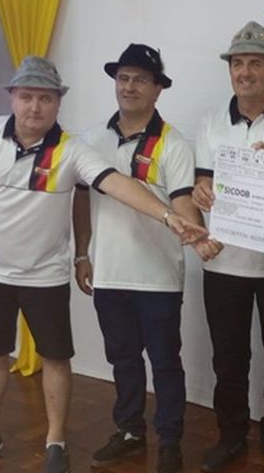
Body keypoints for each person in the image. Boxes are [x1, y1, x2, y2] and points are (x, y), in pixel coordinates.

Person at [0, 56, 206, 473]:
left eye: (45, 98)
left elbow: (116, 184)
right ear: (12, 97)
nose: (35, 107)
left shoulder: (72, 149)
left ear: (58, 103)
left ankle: (56, 442)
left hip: (46, 276)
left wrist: (168, 217)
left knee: (57, 358)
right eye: (26, 96)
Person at [72, 43, 211, 473]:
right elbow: (82, 201)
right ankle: (130, 430)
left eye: (140, 80)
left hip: (158, 278)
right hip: (109, 274)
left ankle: (170, 439)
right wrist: (82, 254)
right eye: (123, 78)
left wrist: (195, 233)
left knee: (165, 364)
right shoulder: (91, 139)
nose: (129, 87)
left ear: (157, 89)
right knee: (122, 359)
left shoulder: (174, 144)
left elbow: (183, 202)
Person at [191, 22, 264, 473]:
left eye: (256, 63)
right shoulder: (211, 122)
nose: (245, 72)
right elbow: (201, 181)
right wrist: (200, 193)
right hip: (224, 262)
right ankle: (232, 434)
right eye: (238, 63)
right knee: (229, 359)